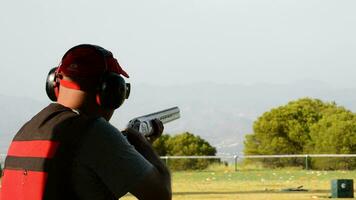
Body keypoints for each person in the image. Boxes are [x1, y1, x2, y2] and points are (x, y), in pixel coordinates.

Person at [0, 44, 172, 200]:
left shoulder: (25, 133)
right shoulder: (95, 133)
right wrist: (142, 145)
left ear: (55, 85)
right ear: (110, 92)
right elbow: (160, 195)